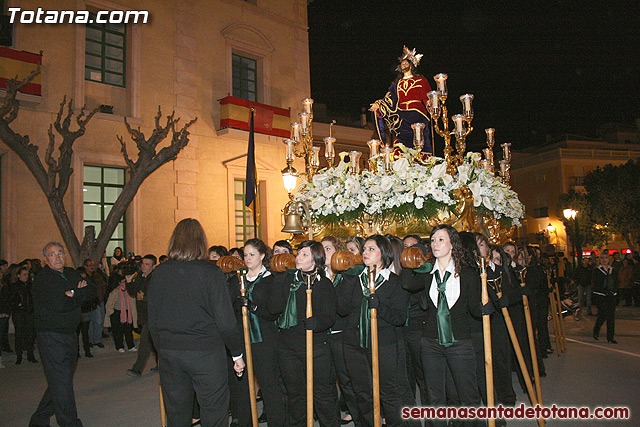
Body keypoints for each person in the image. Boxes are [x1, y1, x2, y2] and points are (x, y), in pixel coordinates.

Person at [148, 218, 244, 427]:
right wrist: (237, 353)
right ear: (202, 243)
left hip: (170, 351)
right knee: (214, 410)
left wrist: (161, 348)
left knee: (177, 413)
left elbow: (152, 319)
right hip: (206, 353)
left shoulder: (159, 272)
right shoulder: (210, 272)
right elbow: (225, 320)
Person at [402, 225, 483, 427]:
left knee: (466, 394)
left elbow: (475, 309)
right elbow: (407, 283)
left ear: (452, 244)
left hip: (460, 342)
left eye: (441, 239)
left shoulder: (468, 275)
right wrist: (409, 259)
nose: (435, 244)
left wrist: (487, 307)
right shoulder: (427, 274)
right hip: (430, 343)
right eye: (433, 240)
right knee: (434, 395)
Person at [338, 235, 414, 427]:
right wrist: (347, 280)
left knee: (389, 393)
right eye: (364, 249)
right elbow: (342, 309)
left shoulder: (394, 283)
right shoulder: (355, 280)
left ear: (384, 254)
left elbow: (399, 318)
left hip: (384, 345)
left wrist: (379, 306)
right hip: (354, 345)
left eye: (371, 249)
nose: (365, 252)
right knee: (363, 393)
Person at [269, 240, 338, 427]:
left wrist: (318, 323)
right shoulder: (287, 280)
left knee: (322, 394)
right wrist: (278, 280)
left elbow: (330, 316)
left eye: (304, 255)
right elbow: (273, 309)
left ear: (315, 260)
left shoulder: (323, 284)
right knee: (295, 395)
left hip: (316, 348)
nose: (298, 257)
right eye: (298, 253)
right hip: (288, 348)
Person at [29, 241, 94, 427]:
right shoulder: (43, 279)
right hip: (51, 336)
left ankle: (38, 420)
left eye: (60, 253)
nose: (57, 257)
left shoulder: (71, 273)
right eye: (52, 254)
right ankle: (70, 423)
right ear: (45, 259)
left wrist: (71, 293)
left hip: (70, 335)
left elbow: (91, 292)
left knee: (60, 379)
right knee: (62, 382)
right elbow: (59, 305)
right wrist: (77, 292)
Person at [231, 238, 287, 427]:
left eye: (252, 254)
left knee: (269, 384)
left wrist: (253, 306)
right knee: (243, 386)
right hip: (242, 338)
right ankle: (244, 421)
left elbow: (274, 310)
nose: (247, 258)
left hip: (265, 340)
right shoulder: (238, 279)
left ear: (262, 256)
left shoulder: (271, 278)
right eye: (245, 254)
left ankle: (276, 422)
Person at [369, 46, 432, 151]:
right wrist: (379, 105)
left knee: (419, 142)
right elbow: (388, 100)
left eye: (406, 63)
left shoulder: (421, 81)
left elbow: (428, 99)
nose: (404, 64)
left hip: (417, 113)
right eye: (402, 63)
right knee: (399, 142)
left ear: (411, 66)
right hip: (401, 116)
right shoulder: (396, 85)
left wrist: (432, 107)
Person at [126, 254, 158, 377]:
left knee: (144, 342)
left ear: (153, 266)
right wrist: (129, 283)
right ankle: (162, 365)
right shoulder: (139, 276)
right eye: (143, 264)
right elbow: (133, 292)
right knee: (155, 343)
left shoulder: (155, 278)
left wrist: (144, 298)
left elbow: (158, 296)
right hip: (144, 314)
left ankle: (137, 369)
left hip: (153, 314)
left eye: (147, 264)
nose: (144, 266)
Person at [9, 265, 38, 364]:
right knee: (19, 335)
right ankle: (19, 356)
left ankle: (31, 355)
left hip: (29, 313)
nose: (26, 276)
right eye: (24, 275)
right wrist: (18, 305)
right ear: (18, 275)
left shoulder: (30, 285)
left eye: (27, 274)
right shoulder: (15, 286)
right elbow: (11, 299)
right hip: (19, 313)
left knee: (30, 334)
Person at [105, 275, 137, 352]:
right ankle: (119, 346)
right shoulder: (115, 292)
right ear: (119, 283)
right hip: (117, 313)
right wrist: (111, 312)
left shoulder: (130, 291)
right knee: (118, 332)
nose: (125, 283)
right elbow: (109, 304)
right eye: (123, 282)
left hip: (128, 313)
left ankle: (130, 346)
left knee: (128, 331)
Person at [592, 253, 618, 344]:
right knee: (603, 314)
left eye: (606, 258)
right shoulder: (596, 270)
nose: (604, 259)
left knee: (611, 316)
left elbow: (616, 282)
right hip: (600, 295)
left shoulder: (613, 270)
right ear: (599, 260)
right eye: (602, 258)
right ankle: (596, 330)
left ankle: (610, 337)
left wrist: (614, 292)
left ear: (609, 259)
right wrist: (604, 292)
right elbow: (596, 283)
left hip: (611, 296)